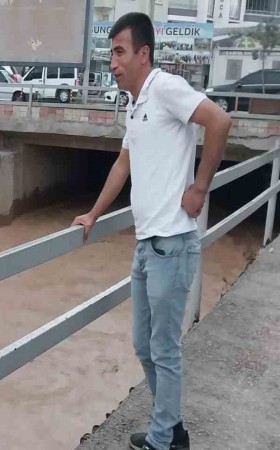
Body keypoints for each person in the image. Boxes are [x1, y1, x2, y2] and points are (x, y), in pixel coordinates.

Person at [71, 13, 231, 450]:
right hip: (147, 247)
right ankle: (172, 427)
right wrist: (93, 214)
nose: (113, 63)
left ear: (144, 53)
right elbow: (124, 164)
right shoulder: (136, 102)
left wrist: (200, 187)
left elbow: (219, 121)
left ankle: (164, 441)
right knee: (144, 345)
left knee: (165, 349)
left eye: (120, 52)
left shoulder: (165, 88)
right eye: (111, 54)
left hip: (172, 245)